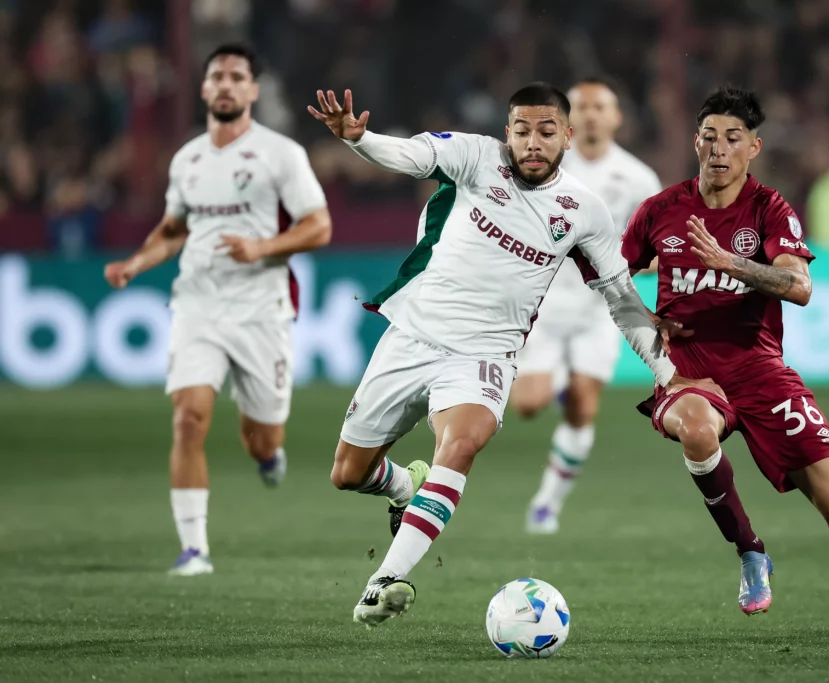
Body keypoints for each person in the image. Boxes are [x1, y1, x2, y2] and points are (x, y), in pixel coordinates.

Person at [307, 82, 685, 628]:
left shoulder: (584, 211)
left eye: (547, 132)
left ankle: (384, 579)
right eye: (523, 130)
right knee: (348, 473)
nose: (534, 142)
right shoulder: (475, 156)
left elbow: (623, 300)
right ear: (509, 131)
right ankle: (403, 487)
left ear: (567, 137)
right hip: (413, 336)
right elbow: (411, 155)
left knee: (460, 445)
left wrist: (668, 374)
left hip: (485, 354)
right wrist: (359, 138)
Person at [622, 86, 829, 639]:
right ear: (695, 142)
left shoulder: (768, 209)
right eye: (708, 137)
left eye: (732, 138)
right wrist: (644, 316)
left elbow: (799, 286)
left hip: (759, 370)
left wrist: (730, 262)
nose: (718, 148)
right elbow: (609, 276)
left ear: (753, 147)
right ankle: (751, 551)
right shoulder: (660, 211)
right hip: (687, 371)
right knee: (695, 429)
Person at [103, 44, 332, 577]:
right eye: (217, 77)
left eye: (237, 77)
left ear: (252, 90)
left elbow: (319, 226)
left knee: (262, 438)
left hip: (261, 311)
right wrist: (136, 263)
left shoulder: (281, 155)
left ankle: (268, 455)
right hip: (197, 304)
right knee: (188, 418)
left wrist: (262, 248)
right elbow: (174, 231)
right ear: (204, 89)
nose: (226, 85)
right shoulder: (188, 159)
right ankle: (194, 549)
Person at [512, 78, 662, 535]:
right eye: (583, 107)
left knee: (584, 408)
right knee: (528, 404)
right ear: (569, 119)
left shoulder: (638, 178)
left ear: (617, 118)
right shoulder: (545, 165)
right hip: (544, 305)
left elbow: (656, 247)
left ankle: (546, 503)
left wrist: (638, 266)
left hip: (600, 311)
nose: (592, 114)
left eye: (602, 107)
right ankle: (556, 383)